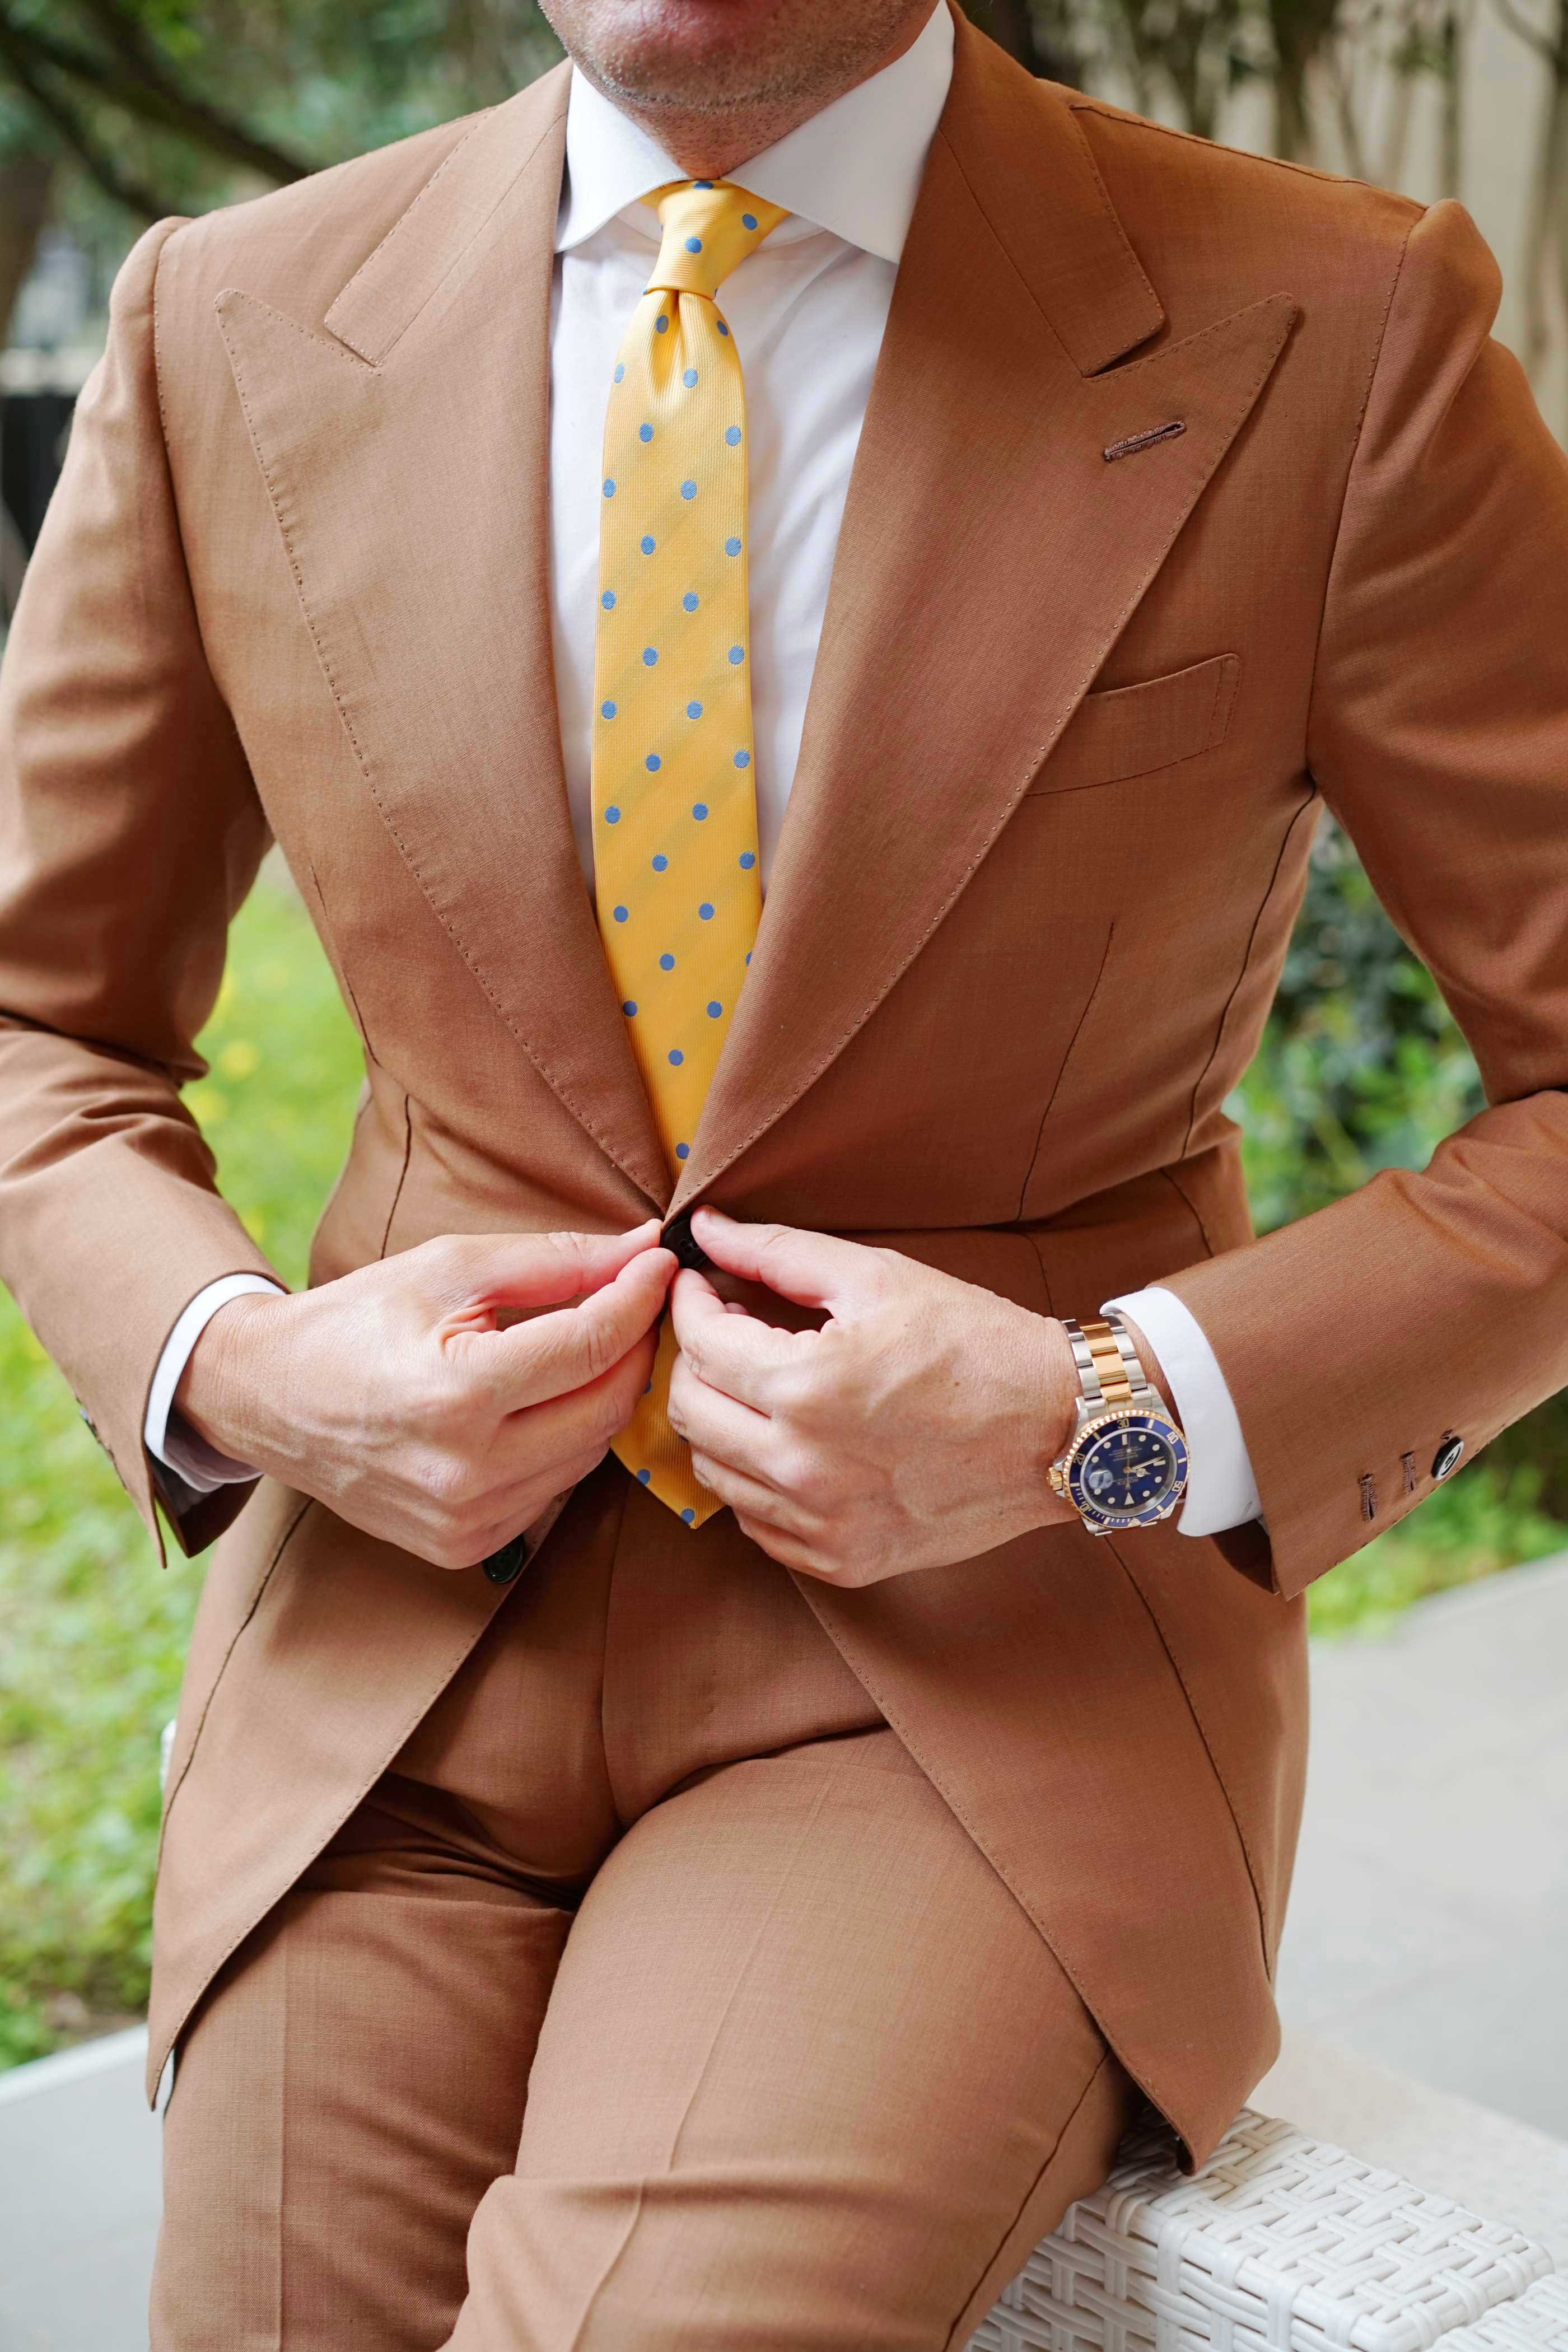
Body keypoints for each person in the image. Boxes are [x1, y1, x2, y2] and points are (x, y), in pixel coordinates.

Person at [2, 0, 1566, 2337]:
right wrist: (248, 1372)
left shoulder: (1333, 328)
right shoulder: (221, 312)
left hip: (969, 1681)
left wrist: (1093, 1412)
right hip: (386, 1653)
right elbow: (42, 1021)